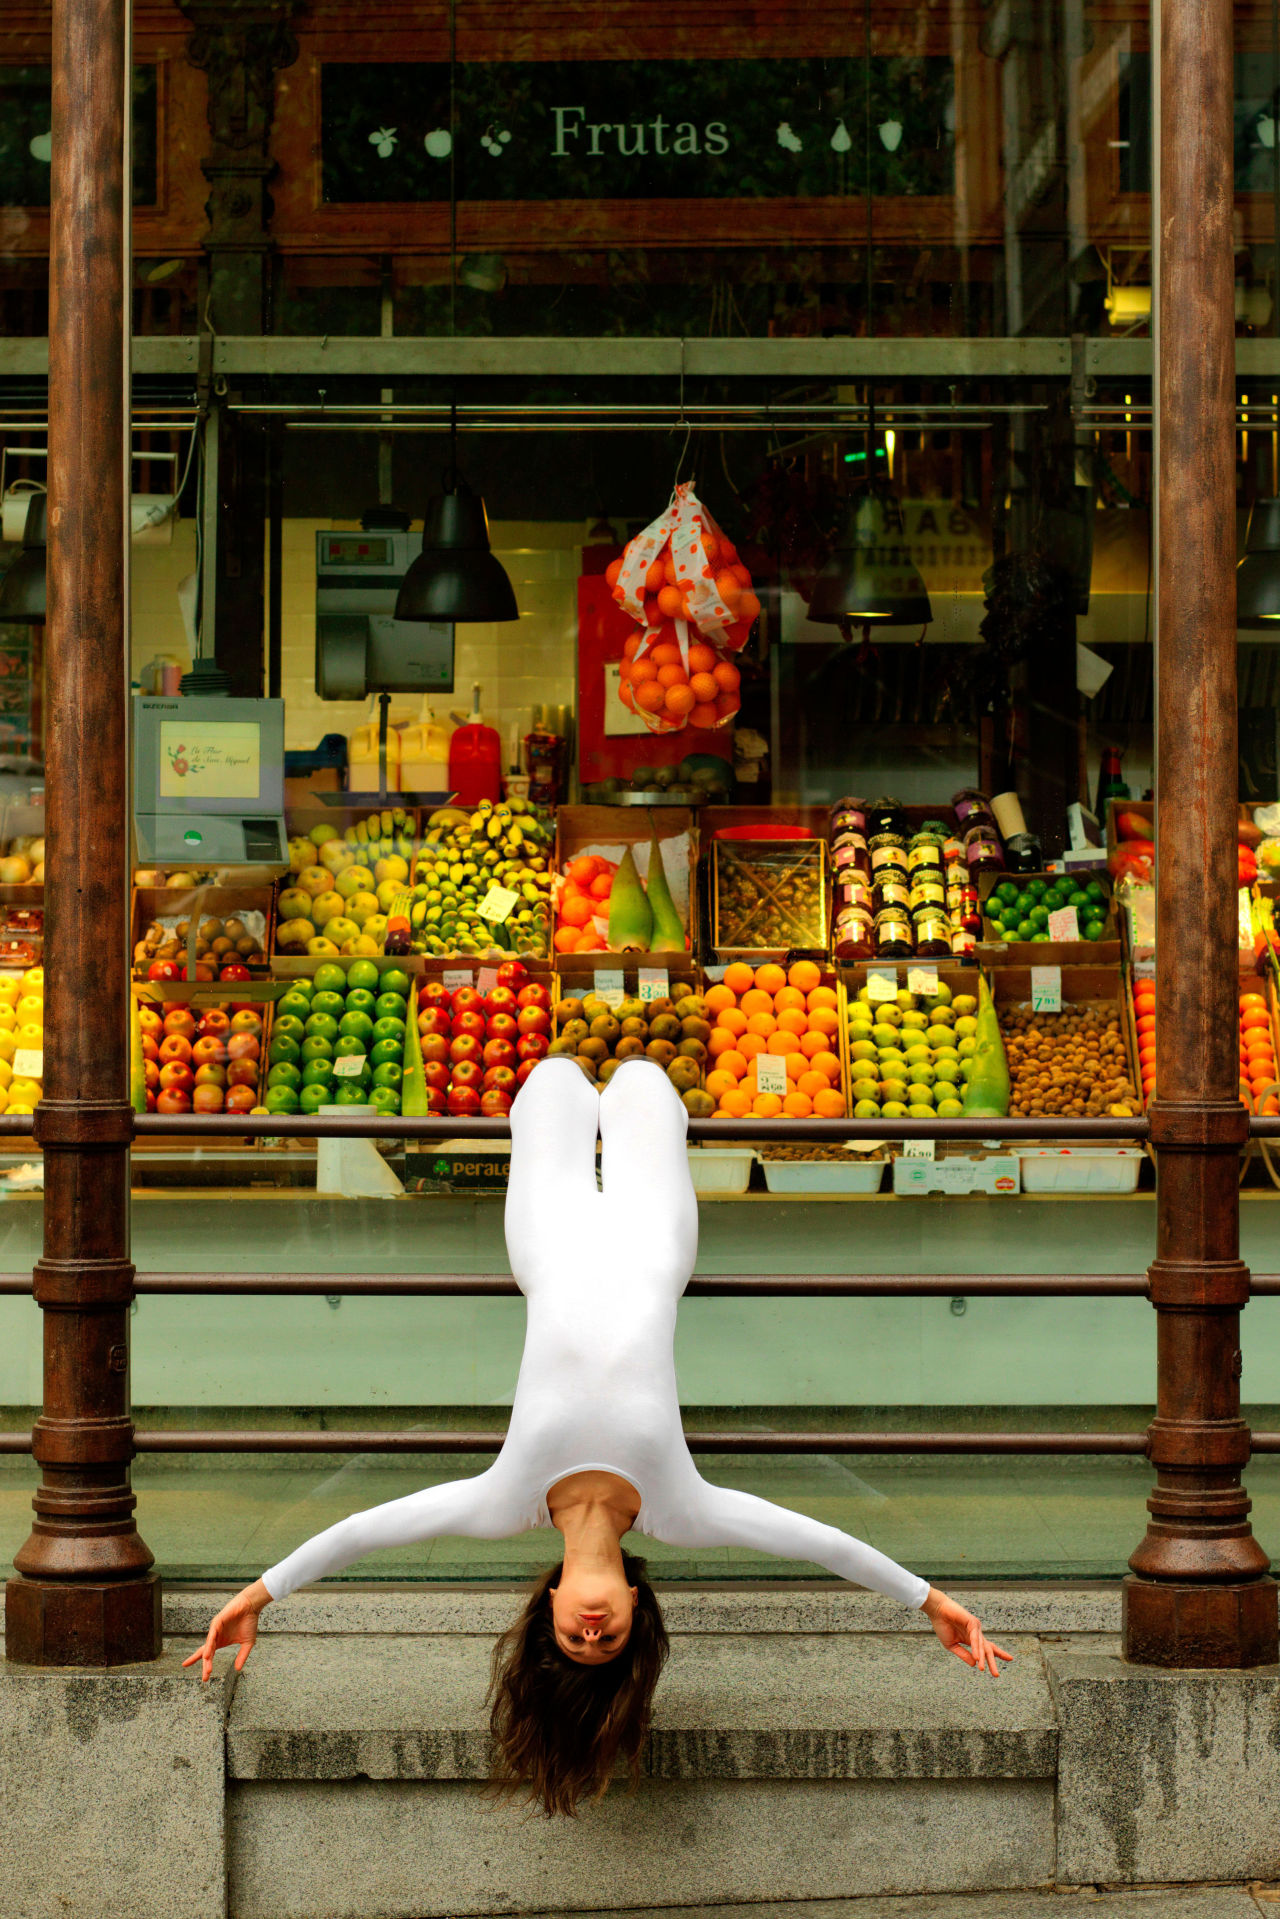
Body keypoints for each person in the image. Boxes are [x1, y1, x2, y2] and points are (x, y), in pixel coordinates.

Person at [186, 1056, 1012, 1815]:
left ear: (547, 1609)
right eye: (607, 1637)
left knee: (549, 1080)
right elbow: (817, 1539)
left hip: (547, 1240)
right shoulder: (681, 1510)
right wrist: (927, 1599)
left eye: (573, 1639)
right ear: (632, 1606)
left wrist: (261, 1592)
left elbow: (366, 1529)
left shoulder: (504, 1500)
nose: (590, 1629)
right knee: (648, 1081)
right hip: (654, 1240)